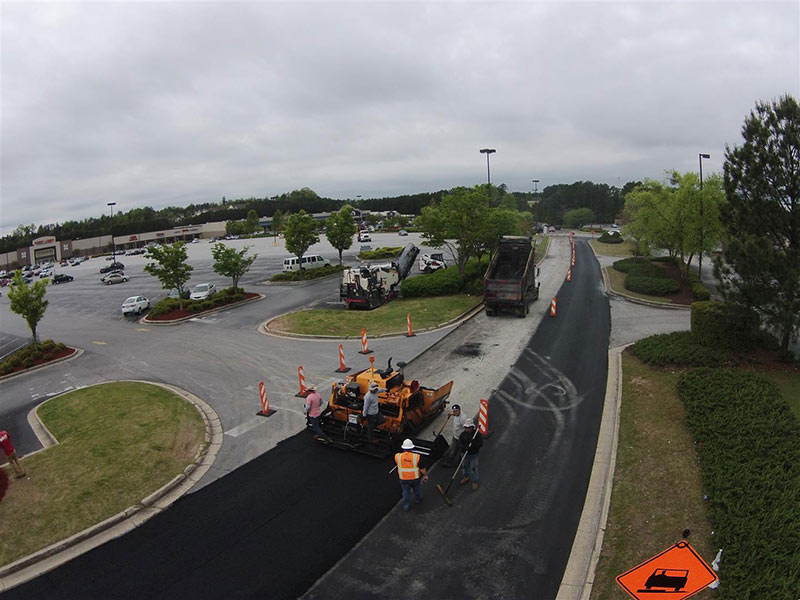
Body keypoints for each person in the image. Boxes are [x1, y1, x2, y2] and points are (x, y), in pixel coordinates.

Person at [394, 438, 429, 511]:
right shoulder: (417, 457)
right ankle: (418, 499)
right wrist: (425, 476)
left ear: (403, 448)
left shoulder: (397, 456)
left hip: (403, 478)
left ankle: (406, 506)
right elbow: (422, 469)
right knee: (417, 490)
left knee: (406, 492)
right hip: (415, 478)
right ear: (412, 447)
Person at [458, 418, 483, 491]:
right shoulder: (463, 434)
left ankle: (475, 481)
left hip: (473, 455)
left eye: (469, 427)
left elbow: (480, 444)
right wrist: (464, 448)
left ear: (472, 427)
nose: (467, 429)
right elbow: (459, 443)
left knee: (473, 468)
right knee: (464, 466)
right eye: (466, 427)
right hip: (465, 454)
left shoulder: (476, 435)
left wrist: (474, 443)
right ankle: (466, 477)